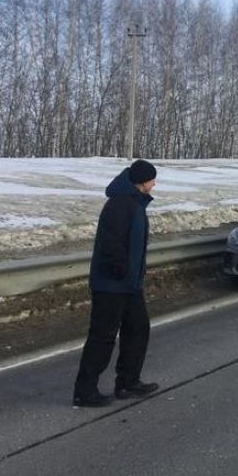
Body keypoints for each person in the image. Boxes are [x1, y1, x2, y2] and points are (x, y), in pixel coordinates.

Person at [73, 160, 161, 407]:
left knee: (138, 329)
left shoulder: (134, 202)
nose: (154, 184)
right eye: (152, 180)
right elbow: (112, 242)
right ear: (142, 182)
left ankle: (128, 382)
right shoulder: (121, 203)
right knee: (103, 336)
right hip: (111, 284)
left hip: (129, 284)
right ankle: (84, 391)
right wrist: (120, 270)